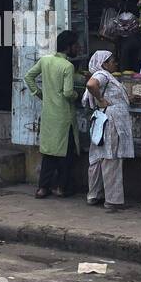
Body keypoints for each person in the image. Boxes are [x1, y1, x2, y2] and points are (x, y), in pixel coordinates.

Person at [24, 29, 82, 198]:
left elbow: (28, 77)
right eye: (76, 45)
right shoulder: (68, 66)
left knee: (49, 153)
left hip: (49, 115)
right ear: (69, 47)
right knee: (66, 153)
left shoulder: (45, 60)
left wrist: (40, 94)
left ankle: (42, 188)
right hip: (64, 116)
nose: (78, 48)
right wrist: (78, 95)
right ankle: (61, 188)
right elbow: (68, 92)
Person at [83, 50, 134, 211]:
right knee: (111, 158)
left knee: (98, 158)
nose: (115, 63)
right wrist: (101, 99)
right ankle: (112, 200)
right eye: (112, 61)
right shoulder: (102, 75)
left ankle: (94, 195)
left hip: (103, 120)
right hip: (111, 122)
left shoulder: (107, 76)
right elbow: (91, 85)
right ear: (104, 63)